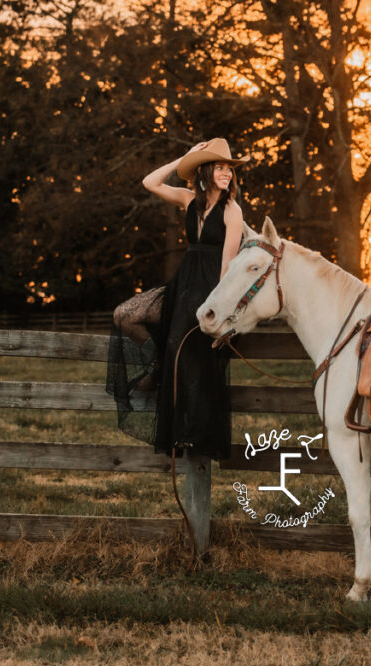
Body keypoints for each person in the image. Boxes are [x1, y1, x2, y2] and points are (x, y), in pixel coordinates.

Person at [106, 138, 249, 461]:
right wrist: (183, 158)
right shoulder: (188, 200)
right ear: (205, 170)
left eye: (230, 169)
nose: (227, 173)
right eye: (221, 167)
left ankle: (188, 434)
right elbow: (149, 182)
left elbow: (228, 263)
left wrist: (221, 309)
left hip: (210, 286)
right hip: (183, 282)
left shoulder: (232, 209)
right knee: (124, 315)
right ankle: (158, 364)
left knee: (185, 351)